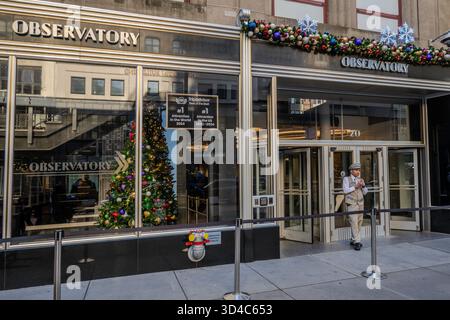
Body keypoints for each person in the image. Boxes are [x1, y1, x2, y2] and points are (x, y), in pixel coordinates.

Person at [343, 162, 368, 251]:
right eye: (356, 170)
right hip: (352, 204)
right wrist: (356, 187)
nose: (358, 172)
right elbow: (345, 190)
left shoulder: (360, 179)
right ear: (352, 171)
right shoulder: (346, 179)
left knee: (359, 222)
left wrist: (364, 186)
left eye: (359, 170)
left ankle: (353, 239)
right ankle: (357, 242)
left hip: (360, 204)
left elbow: (365, 192)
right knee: (353, 222)